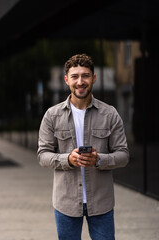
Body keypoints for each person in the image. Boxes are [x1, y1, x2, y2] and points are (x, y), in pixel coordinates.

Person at [37, 54, 129, 240]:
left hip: (101, 203)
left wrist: (99, 159)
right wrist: (67, 159)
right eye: (75, 76)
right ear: (66, 80)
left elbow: (123, 155)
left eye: (85, 75)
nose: (80, 81)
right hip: (66, 203)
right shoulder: (52, 115)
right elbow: (42, 155)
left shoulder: (110, 114)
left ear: (93, 78)